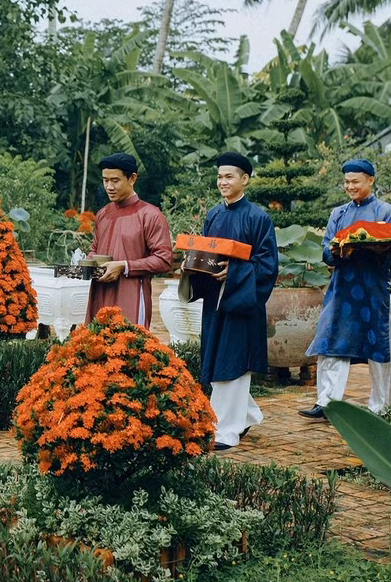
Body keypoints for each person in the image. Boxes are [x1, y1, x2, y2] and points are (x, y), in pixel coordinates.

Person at [185, 152, 278, 449]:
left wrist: (234, 272)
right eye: (220, 177)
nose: (223, 182)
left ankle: (225, 431)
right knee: (217, 361)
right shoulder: (214, 215)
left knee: (233, 362)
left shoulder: (258, 218)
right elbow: (205, 253)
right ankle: (247, 413)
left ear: (244, 179)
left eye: (229, 177)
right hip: (215, 301)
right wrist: (192, 265)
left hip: (241, 302)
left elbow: (268, 266)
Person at [300, 159, 391, 420]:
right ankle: (327, 403)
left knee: (380, 344)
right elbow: (326, 250)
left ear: (371, 180)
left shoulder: (386, 212)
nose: (350, 186)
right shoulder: (338, 214)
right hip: (342, 289)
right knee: (332, 341)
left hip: (376, 289)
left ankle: (380, 406)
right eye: (346, 182)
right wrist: (336, 251)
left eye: (355, 181)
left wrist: (369, 248)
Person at [85, 152, 173, 328]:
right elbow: (94, 249)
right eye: (105, 180)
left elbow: (164, 260)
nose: (109, 186)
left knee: (129, 348)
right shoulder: (103, 213)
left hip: (131, 295)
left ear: (132, 178)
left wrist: (124, 266)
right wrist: (84, 264)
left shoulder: (150, 215)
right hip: (99, 293)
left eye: (115, 180)